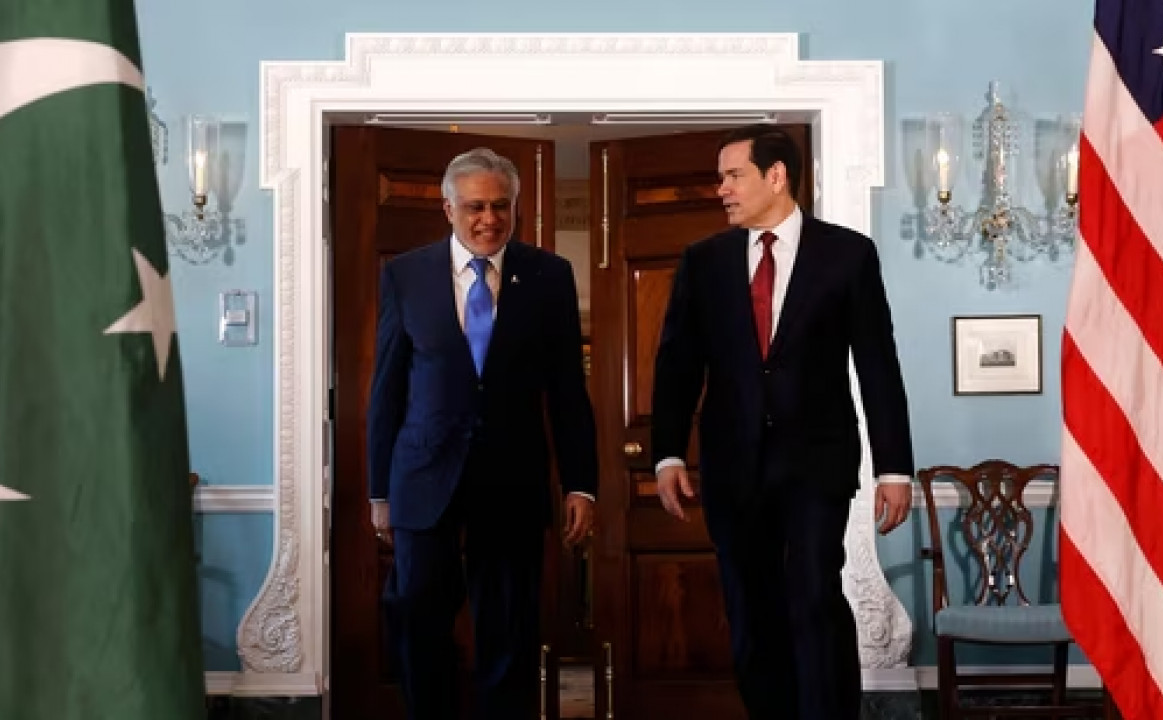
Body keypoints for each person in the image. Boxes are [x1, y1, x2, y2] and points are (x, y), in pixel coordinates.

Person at [651, 124, 915, 718]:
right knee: (751, 607)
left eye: (732, 175)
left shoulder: (848, 254)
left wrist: (894, 466)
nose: (720, 189)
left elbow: (877, 363)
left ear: (776, 176)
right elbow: (677, 365)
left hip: (817, 465)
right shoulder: (704, 261)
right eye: (720, 177)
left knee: (814, 595)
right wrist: (667, 452)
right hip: (732, 468)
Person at [367, 147, 598, 719]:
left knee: (510, 630)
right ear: (449, 208)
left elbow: (568, 390)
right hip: (423, 478)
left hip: (512, 481)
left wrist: (580, 483)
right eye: (475, 207)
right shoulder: (405, 275)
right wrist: (379, 490)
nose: (489, 219)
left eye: (501, 206)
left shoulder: (549, 276)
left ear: (515, 206)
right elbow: (387, 390)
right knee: (418, 621)